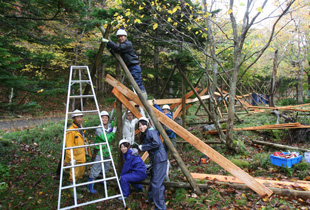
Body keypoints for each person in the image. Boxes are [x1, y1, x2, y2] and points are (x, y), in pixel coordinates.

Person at [102, 29, 147, 99]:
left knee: (137, 83)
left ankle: (144, 98)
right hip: (129, 67)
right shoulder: (122, 46)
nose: (120, 38)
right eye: (119, 37)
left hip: (134, 67)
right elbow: (117, 55)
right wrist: (110, 50)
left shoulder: (128, 44)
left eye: (122, 36)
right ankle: (140, 98)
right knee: (134, 85)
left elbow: (117, 48)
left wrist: (108, 42)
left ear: (125, 36)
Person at [137, 117, 167, 210]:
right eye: (140, 126)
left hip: (159, 158)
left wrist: (143, 147)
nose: (141, 127)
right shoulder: (147, 133)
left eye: (143, 124)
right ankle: (151, 199)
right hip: (156, 158)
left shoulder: (150, 131)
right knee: (154, 179)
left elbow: (156, 143)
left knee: (156, 183)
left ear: (147, 124)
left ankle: (160, 207)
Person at [88, 110, 117, 194]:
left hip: (107, 151)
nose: (104, 119)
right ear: (100, 119)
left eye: (106, 117)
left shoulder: (108, 126)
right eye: (103, 118)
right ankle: (90, 186)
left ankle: (102, 180)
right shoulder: (98, 129)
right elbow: (106, 139)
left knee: (106, 168)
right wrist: (113, 132)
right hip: (99, 151)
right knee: (96, 168)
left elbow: (115, 122)